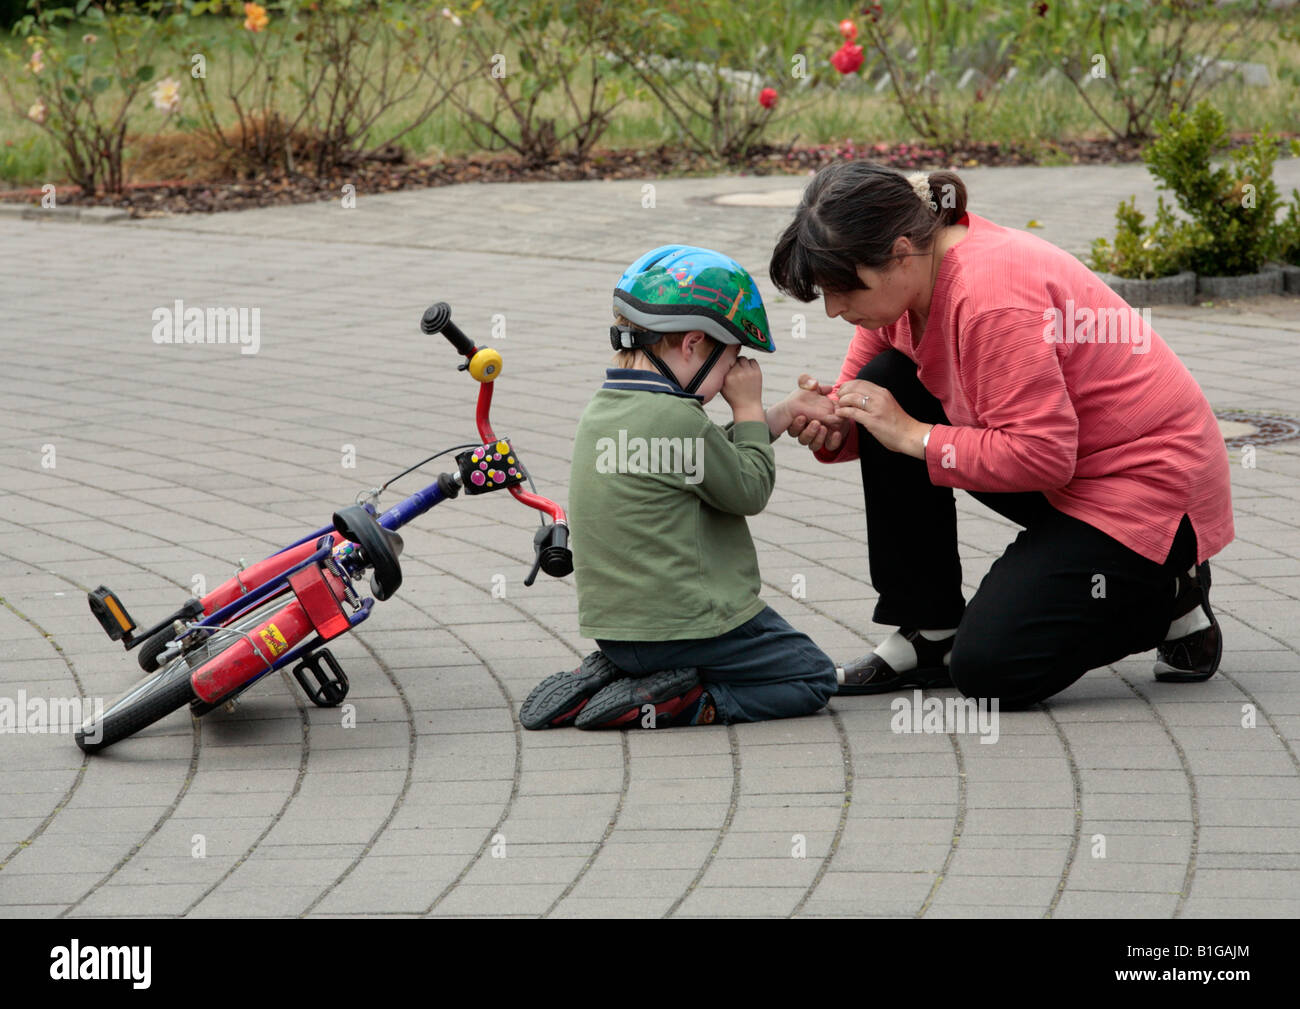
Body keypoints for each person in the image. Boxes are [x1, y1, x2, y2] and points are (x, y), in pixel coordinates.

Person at [768, 161, 1233, 708]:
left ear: (898, 252)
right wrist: (832, 423)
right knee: (881, 386)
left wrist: (913, 434)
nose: (833, 309)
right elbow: (874, 415)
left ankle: (1169, 592)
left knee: (992, 667)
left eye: (844, 289)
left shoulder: (991, 298)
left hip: (1148, 493)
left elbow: (1041, 456)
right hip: (1069, 472)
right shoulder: (909, 283)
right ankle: (928, 629)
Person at [520, 244, 838, 730]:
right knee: (812, 675)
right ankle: (689, 700)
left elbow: (702, 463)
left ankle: (615, 671)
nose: (734, 376)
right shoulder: (679, 418)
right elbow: (747, 488)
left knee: (659, 650)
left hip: (619, 631)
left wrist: (781, 413)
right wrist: (750, 410)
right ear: (692, 344)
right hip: (690, 626)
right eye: (732, 360)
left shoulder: (602, 412)